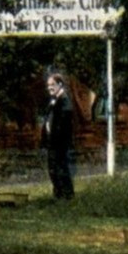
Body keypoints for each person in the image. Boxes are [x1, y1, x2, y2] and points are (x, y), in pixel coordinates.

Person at [42, 71, 75, 200]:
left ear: (60, 84)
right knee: (54, 169)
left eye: (52, 84)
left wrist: (55, 137)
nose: (49, 87)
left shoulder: (65, 102)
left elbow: (62, 126)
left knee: (60, 169)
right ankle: (59, 195)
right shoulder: (54, 101)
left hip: (59, 143)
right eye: (48, 85)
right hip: (53, 143)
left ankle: (65, 196)